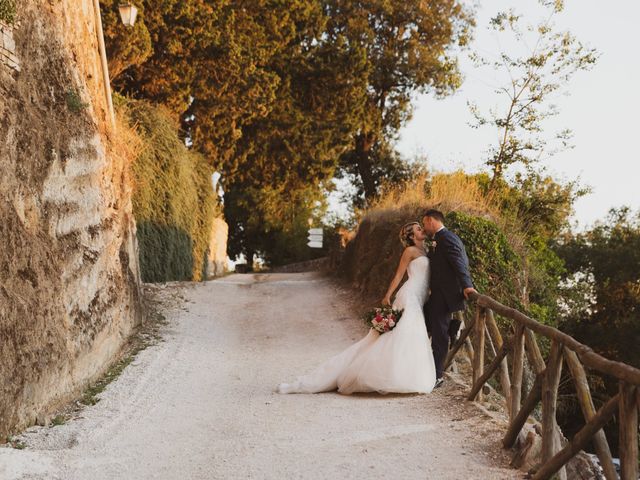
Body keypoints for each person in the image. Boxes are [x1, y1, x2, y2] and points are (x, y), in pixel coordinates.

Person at [276, 222, 436, 395]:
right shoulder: (410, 251)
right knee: (402, 334)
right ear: (412, 236)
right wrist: (387, 295)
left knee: (410, 335)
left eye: (421, 227)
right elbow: (398, 275)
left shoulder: (427, 250)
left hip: (420, 297)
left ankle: (406, 374)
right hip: (410, 295)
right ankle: (388, 376)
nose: (422, 230)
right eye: (418, 229)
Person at [422, 209, 477, 388]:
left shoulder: (448, 238)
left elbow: (459, 263)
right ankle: (454, 328)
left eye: (424, 223)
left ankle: (437, 376)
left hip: (445, 295)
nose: (424, 227)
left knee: (439, 335)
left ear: (430, 220)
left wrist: (467, 285)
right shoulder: (438, 239)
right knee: (428, 325)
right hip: (437, 294)